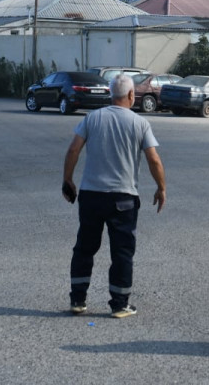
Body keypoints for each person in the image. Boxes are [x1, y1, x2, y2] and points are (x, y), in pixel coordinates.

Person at [63, 73, 166, 319]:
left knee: (84, 248)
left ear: (111, 94)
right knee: (121, 252)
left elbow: (74, 148)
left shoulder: (92, 118)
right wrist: (161, 188)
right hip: (124, 198)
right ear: (131, 95)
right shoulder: (140, 123)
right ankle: (119, 304)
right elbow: (153, 159)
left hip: (90, 196)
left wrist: (67, 180)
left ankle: (78, 300)